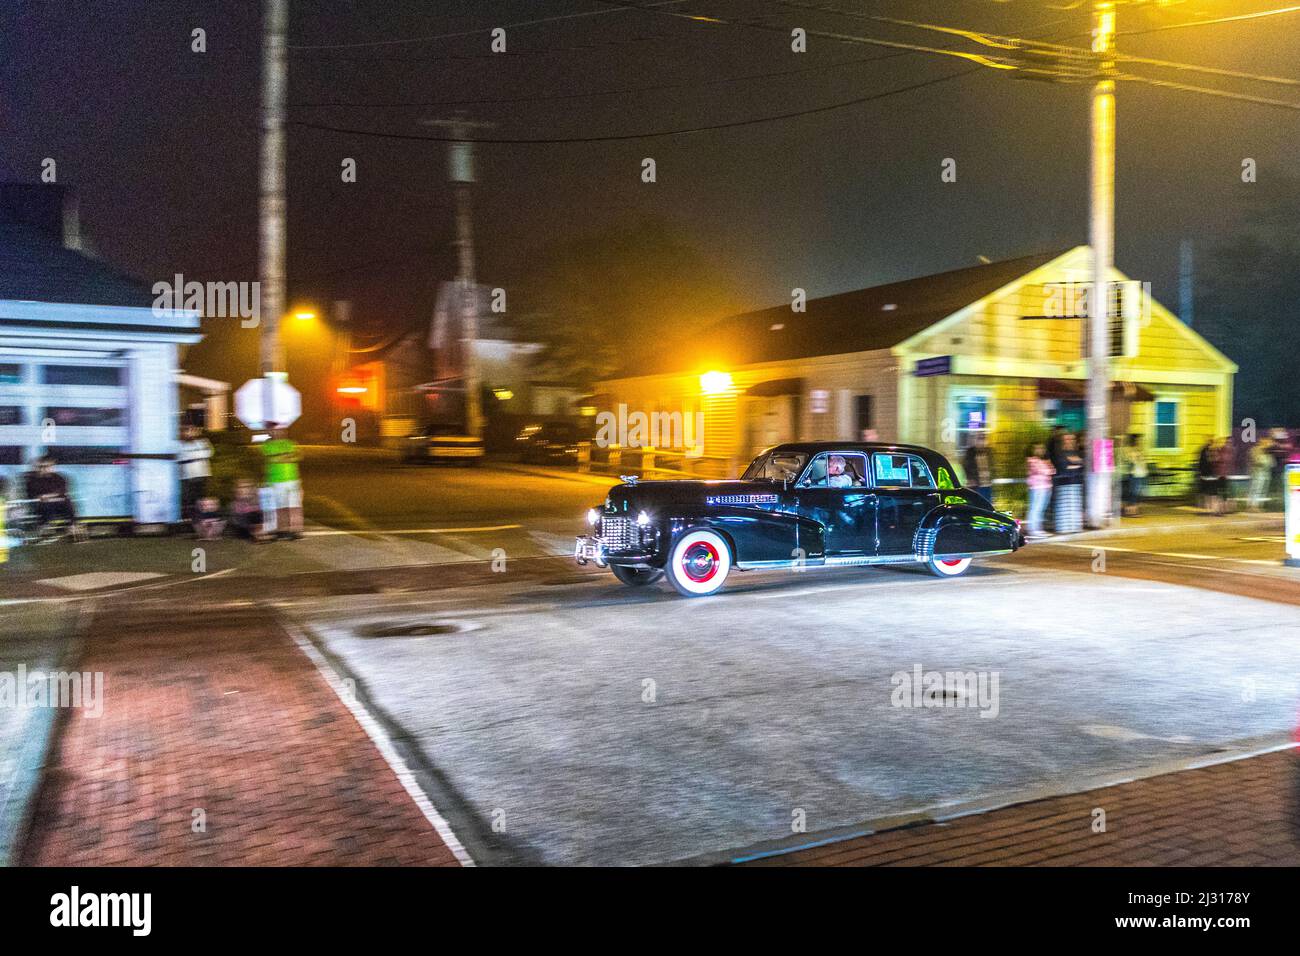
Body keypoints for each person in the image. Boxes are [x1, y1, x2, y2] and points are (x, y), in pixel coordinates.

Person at [259, 425, 303, 539]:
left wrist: (280, 457)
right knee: (280, 507)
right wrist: (287, 456)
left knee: (294, 506)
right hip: (275, 481)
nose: (278, 432)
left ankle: (295, 530)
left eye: (281, 429)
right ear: (270, 431)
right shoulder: (267, 445)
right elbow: (272, 459)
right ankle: (282, 530)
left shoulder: (291, 443)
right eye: (275, 430)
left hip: (293, 480)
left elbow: (298, 456)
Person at [23, 457, 81, 540]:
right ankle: (45, 526)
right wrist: (50, 496)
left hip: (57, 502)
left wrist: (49, 496)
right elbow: (32, 494)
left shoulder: (59, 478)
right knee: (46, 505)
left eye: (48, 466)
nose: (45, 468)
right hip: (41, 504)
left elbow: (61, 491)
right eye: (42, 466)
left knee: (67, 503)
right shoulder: (33, 480)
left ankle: (72, 526)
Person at [177, 424, 214, 522]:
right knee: (189, 500)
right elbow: (180, 457)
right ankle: (190, 520)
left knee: (201, 499)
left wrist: (189, 455)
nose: (190, 433)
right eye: (187, 431)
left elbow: (209, 453)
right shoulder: (180, 444)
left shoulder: (203, 442)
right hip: (187, 477)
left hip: (202, 476)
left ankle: (202, 519)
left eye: (192, 430)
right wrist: (198, 455)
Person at [1052, 433, 1085, 534]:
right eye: (1067, 439)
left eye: (1072, 439)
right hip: (1063, 483)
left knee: (1075, 505)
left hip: (1076, 482)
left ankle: (1075, 527)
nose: (1070, 441)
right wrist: (1076, 463)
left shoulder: (1077, 452)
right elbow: (1063, 467)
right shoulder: (1059, 453)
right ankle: (1063, 528)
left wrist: (1073, 464)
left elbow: (1082, 465)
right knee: (1064, 506)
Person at [1024, 442, 1054, 539]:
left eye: (1042, 448)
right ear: (1032, 450)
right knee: (1035, 508)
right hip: (1037, 488)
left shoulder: (1043, 461)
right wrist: (1048, 468)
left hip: (1046, 487)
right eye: (1037, 448)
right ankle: (1033, 530)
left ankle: (1038, 529)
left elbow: (1053, 470)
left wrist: (1048, 468)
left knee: (1041, 509)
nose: (1040, 450)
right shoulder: (1031, 460)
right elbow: (1047, 471)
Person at [1119, 433, 1148, 517]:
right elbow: (1131, 461)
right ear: (1134, 441)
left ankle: (1133, 510)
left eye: (1140, 440)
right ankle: (1130, 511)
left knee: (1136, 492)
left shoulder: (1138, 450)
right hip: (1134, 474)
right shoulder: (1129, 450)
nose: (1140, 442)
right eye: (1138, 440)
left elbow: (1141, 462)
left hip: (1140, 474)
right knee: (1133, 492)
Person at [963, 431, 993, 505]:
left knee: (988, 504)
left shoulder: (988, 451)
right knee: (978, 504)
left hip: (988, 484)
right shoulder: (970, 452)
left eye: (983, 439)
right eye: (979, 439)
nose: (981, 442)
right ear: (975, 440)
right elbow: (966, 466)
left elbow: (992, 466)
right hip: (977, 484)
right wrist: (970, 478)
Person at [1249, 438, 1274, 511]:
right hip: (1258, 474)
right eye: (1266, 444)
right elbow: (1256, 461)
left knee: (1262, 491)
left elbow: (1272, 463)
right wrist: (1263, 462)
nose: (1267, 446)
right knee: (1256, 490)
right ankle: (1252, 506)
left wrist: (1267, 460)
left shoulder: (1267, 453)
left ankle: (1258, 506)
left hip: (1265, 474)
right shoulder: (1255, 450)